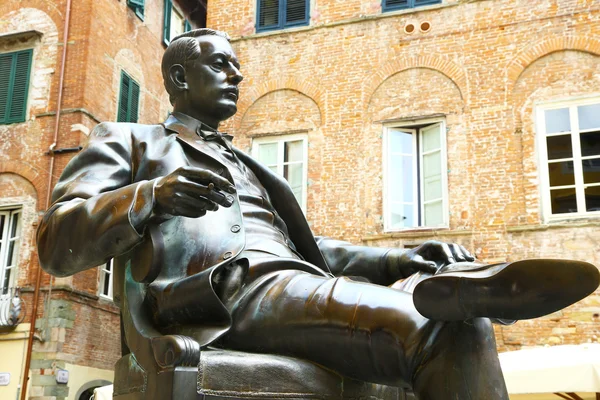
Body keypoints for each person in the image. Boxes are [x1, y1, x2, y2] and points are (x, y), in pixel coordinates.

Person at [37, 29, 599, 399]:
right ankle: (450, 297)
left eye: (238, 67)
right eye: (220, 66)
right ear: (180, 79)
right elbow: (54, 241)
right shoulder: (131, 141)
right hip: (222, 293)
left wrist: (399, 257)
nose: (237, 76)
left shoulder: (253, 166)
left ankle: (444, 287)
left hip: (289, 283)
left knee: (459, 323)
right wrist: (149, 197)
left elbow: (310, 249)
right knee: (442, 331)